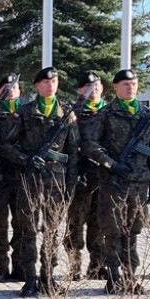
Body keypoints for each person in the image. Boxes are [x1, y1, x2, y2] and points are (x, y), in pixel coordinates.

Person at [83, 68, 150, 294]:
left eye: (134, 83)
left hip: (140, 183)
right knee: (114, 230)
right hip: (114, 182)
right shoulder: (106, 114)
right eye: (125, 84)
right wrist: (111, 163)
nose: (131, 87)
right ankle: (114, 276)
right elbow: (90, 144)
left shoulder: (147, 116)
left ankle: (130, 276)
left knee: (133, 231)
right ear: (115, 87)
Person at [4, 67, 78, 297]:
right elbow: (7, 145)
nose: (50, 84)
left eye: (54, 81)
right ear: (37, 86)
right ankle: (29, 279)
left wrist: (71, 182)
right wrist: (26, 159)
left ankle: (48, 276)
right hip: (31, 181)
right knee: (28, 231)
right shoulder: (25, 112)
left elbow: (74, 150)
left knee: (52, 231)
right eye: (45, 81)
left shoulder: (67, 112)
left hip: (56, 181)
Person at [64, 71, 107, 280]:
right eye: (88, 86)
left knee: (99, 224)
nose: (94, 88)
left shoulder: (109, 113)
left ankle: (97, 266)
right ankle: (74, 267)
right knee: (75, 225)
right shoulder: (72, 114)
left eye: (97, 85)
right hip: (80, 177)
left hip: (103, 177)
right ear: (80, 90)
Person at [0, 73, 24, 283]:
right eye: (5, 89)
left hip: (22, 179)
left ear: (20, 92)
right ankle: (1, 266)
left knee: (21, 225)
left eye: (14, 88)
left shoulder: (28, 113)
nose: (10, 91)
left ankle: (19, 266)